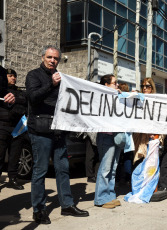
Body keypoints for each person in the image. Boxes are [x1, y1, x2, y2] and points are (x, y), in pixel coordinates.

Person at [26, 45, 89, 224]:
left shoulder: (63, 79)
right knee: (41, 170)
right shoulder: (33, 75)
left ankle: (67, 205)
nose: (53, 61)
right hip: (40, 131)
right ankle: (38, 210)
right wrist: (51, 84)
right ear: (43, 57)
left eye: (56, 58)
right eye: (49, 57)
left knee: (63, 169)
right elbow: (33, 97)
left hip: (59, 131)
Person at [94, 74, 126, 209]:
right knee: (105, 168)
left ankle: (110, 195)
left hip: (115, 136)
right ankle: (101, 198)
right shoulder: (101, 98)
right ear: (106, 85)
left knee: (113, 168)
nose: (117, 85)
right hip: (105, 136)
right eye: (114, 83)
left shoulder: (118, 98)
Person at [0, 68, 26, 190]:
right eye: (10, 76)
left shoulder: (19, 92)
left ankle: (12, 179)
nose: (13, 78)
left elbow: (25, 102)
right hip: (3, 126)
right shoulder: (1, 91)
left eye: (14, 76)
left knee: (15, 155)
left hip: (17, 127)